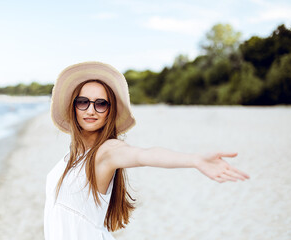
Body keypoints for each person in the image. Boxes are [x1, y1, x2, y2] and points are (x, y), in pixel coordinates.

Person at [44, 61, 250, 240]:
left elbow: (144, 154)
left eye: (101, 104)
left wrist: (194, 159)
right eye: (83, 102)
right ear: (74, 106)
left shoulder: (106, 151)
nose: (90, 110)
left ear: (110, 111)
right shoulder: (71, 158)